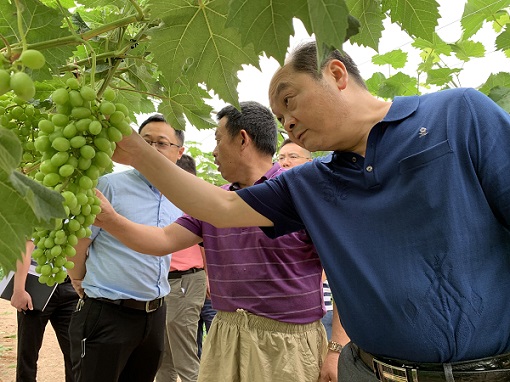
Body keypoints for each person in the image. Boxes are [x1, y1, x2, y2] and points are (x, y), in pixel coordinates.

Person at [107, 40, 510, 382]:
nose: (288, 123)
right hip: (367, 371)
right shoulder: (310, 182)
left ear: (336, 74)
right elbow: (220, 206)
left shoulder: (458, 114)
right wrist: (137, 153)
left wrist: (332, 347)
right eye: (280, 118)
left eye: (289, 100)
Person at [94, 101, 348, 382]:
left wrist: (336, 349)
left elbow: (344, 276)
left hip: (287, 346)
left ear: (242, 139)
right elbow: (162, 239)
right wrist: (109, 220)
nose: (214, 151)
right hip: (225, 335)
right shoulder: (212, 202)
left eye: (217, 139)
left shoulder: (299, 192)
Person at [67, 114, 184, 382]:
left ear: (179, 152)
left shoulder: (180, 196)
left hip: (154, 316)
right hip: (108, 313)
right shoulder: (109, 186)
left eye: (162, 143)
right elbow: (79, 242)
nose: (152, 150)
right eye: (146, 142)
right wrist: (78, 278)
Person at [156, 154, 207, 382]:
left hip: (186, 280)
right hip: (161, 283)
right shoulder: (160, 201)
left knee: (184, 356)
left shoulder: (195, 202)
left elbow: (207, 244)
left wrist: (211, 279)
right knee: (163, 357)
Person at [277, 139, 334, 339]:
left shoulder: (321, 202)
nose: (285, 163)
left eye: (293, 157)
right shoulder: (274, 206)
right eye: (281, 158)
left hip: (318, 303)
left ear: (310, 162)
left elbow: (332, 255)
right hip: (283, 309)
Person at [10, 240, 78, 382]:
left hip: (68, 285)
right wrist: (19, 290)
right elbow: (25, 248)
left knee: (74, 353)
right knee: (28, 351)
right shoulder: (39, 217)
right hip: (37, 285)